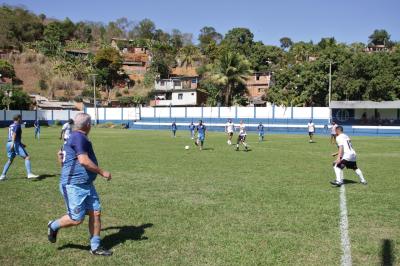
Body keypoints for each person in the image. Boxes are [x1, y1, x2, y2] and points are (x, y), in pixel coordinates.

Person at [48, 113, 113, 256]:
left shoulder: (73, 137)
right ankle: (53, 225)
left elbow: (62, 159)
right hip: (74, 186)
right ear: (88, 125)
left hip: (86, 184)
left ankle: (95, 247)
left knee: (95, 213)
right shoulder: (78, 137)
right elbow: (83, 160)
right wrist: (102, 172)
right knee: (76, 219)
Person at [0, 115, 39, 181]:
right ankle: (29, 174)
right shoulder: (17, 125)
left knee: (10, 160)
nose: (21, 120)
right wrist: (13, 144)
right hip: (14, 143)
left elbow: (12, 135)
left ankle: (2, 175)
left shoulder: (11, 125)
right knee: (27, 157)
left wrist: (21, 144)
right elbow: (14, 134)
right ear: (18, 119)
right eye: (21, 118)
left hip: (8, 143)